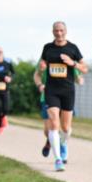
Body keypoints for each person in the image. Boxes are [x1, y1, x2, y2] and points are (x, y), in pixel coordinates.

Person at [38, 21, 87, 171]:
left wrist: (72, 63)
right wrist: (42, 66)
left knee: (65, 128)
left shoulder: (72, 48)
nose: (59, 33)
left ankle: (63, 144)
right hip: (51, 91)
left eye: (61, 31)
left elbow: (84, 68)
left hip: (67, 91)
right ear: (53, 32)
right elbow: (42, 63)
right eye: (56, 31)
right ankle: (58, 159)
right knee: (54, 123)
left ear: (65, 31)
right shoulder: (48, 48)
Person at [0, 47, 15, 134]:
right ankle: (0, 126)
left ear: (2, 53)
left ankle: (4, 117)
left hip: (5, 89)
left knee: (6, 108)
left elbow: (14, 73)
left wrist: (10, 78)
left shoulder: (7, 64)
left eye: (0, 52)